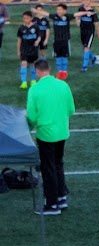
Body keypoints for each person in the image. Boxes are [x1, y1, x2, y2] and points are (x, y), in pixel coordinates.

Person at [27, 59, 75, 215]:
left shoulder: (35, 90)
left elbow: (32, 117)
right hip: (62, 132)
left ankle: (52, 204)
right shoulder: (63, 85)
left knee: (48, 169)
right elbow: (71, 109)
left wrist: (29, 127)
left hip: (46, 134)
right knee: (58, 164)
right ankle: (61, 197)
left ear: (37, 71)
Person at [33, 4, 86, 80]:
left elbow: (77, 14)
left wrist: (86, 12)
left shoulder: (67, 17)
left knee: (64, 56)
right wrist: (36, 11)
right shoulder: (54, 16)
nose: (58, 11)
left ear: (65, 11)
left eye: (60, 9)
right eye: (57, 9)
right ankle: (59, 71)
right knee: (57, 56)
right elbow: (46, 13)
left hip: (65, 40)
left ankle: (64, 71)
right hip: (56, 40)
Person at [76, 0, 99, 72]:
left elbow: (96, 23)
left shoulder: (92, 12)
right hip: (82, 31)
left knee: (87, 47)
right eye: (85, 0)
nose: (86, 2)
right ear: (83, 1)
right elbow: (77, 16)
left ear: (90, 2)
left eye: (88, 0)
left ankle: (84, 66)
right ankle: (93, 58)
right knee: (85, 47)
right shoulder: (81, 9)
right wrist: (77, 21)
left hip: (90, 32)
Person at [17, 11, 41, 89]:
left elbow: (39, 36)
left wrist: (37, 41)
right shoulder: (21, 28)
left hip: (33, 49)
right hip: (24, 49)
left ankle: (33, 81)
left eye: (27, 18)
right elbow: (19, 40)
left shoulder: (36, 27)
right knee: (23, 64)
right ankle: (24, 82)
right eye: (24, 18)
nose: (25, 20)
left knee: (32, 64)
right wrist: (18, 50)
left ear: (31, 18)